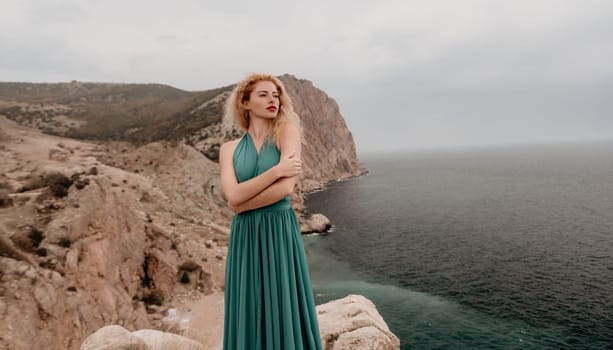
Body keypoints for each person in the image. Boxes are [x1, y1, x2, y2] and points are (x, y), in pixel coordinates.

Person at [219, 73, 322, 349]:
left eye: (275, 95)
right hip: (245, 235)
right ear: (245, 102)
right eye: (263, 94)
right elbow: (231, 194)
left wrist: (240, 205)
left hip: (278, 228)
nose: (272, 100)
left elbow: (285, 190)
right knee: (249, 301)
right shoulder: (228, 149)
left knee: (281, 298)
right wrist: (276, 170)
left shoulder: (287, 133)